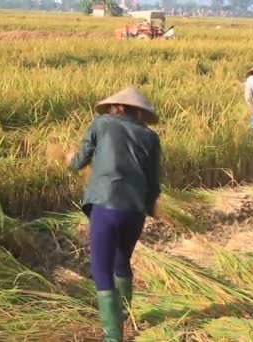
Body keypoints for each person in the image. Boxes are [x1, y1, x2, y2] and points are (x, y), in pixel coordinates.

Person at [66, 86, 161, 342]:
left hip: (106, 206)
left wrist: (69, 160)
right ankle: (125, 315)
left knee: (100, 269)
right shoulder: (150, 137)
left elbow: (80, 160)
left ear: (116, 107)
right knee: (121, 261)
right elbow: (154, 183)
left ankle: (112, 337)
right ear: (139, 112)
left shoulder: (102, 123)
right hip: (135, 212)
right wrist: (149, 208)